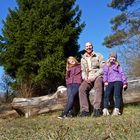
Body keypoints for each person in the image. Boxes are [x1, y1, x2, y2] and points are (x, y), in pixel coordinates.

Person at [79, 42, 105, 117]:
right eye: (87, 46)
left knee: (98, 86)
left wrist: (95, 75)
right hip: (88, 77)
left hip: (97, 75)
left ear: (92, 47)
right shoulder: (83, 58)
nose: (88, 47)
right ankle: (85, 111)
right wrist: (85, 78)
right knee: (81, 89)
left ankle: (97, 108)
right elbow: (83, 70)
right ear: (85, 48)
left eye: (90, 46)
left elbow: (103, 68)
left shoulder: (98, 55)